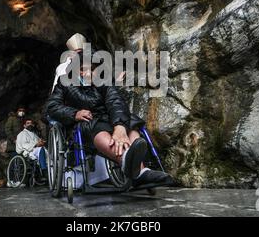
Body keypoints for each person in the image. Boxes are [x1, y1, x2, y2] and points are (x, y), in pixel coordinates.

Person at [47, 53, 172, 188]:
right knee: (96, 127)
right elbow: (52, 106)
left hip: (108, 117)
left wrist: (119, 127)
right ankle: (129, 161)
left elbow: (115, 101)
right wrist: (74, 113)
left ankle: (139, 170)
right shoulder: (64, 82)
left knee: (130, 123)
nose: (87, 73)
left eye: (92, 69)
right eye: (82, 69)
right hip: (84, 123)